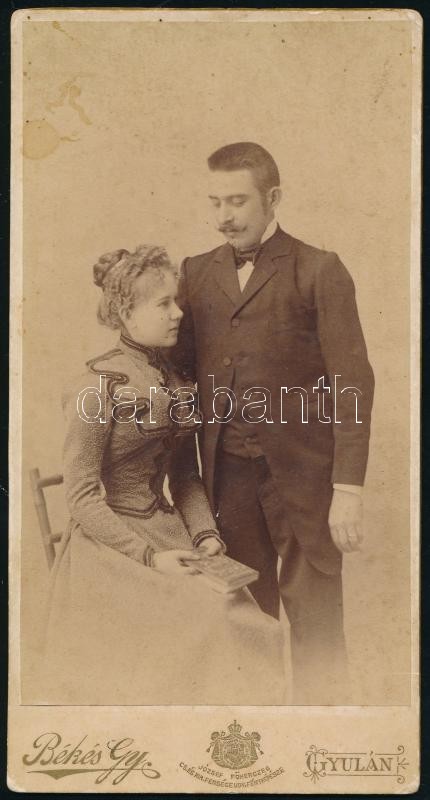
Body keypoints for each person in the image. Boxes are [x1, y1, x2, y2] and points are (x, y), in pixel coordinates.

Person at [171, 142, 375, 704]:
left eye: (237, 201)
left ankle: (320, 740)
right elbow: (178, 377)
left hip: (306, 483)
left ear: (273, 197)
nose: (223, 216)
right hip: (227, 480)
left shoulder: (319, 269)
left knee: (318, 632)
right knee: (244, 626)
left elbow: (353, 384)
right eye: (214, 202)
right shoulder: (195, 273)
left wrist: (348, 489)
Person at [42, 244, 286, 705]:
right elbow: (81, 496)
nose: (178, 313)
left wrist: (206, 536)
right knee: (213, 622)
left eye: (176, 301)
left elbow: (186, 477)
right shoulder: (97, 386)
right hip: (110, 551)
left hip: (169, 534)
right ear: (126, 314)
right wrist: (150, 558)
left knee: (248, 623)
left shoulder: (176, 382)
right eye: (163, 304)